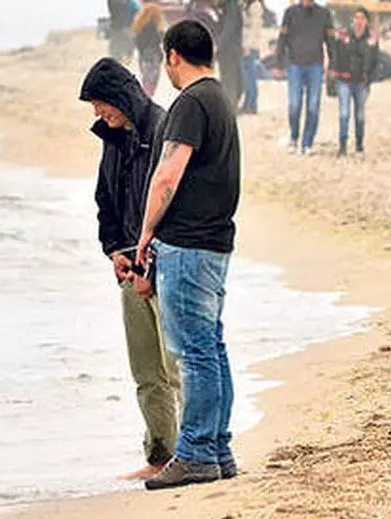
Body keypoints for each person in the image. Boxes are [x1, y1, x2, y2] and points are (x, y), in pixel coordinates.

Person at [134, 20, 241, 491]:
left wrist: (146, 232)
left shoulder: (191, 102)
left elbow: (167, 175)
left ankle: (196, 452)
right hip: (214, 241)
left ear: (173, 55)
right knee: (210, 348)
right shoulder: (220, 97)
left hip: (189, 243)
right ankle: (217, 448)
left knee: (194, 353)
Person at [79, 58, 182, 481]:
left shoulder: (161, 129)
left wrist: (147, 264)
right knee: (146, 371)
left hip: (163, 264)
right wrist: (112, 252)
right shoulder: (112, 138)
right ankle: (159, 455)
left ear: (120, 97)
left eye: (100, 103)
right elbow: (105, 200)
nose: (97, 112)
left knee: (175, 366)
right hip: (128, 267)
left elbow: (169, 202)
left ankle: (191, 454)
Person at [275, 0, 335, 155]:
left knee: (313, 107)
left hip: (316, 66)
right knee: (294, 105)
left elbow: (331, 42)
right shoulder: (290, 13)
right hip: (295, 65)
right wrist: (278, 63)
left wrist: (333, 65)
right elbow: (282, 39)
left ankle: (307, 142)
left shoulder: (324, 14)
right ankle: (294, 138)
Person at [329, 7, 379, 156]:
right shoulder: (343, 35)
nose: (359, 21)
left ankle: (359, 145)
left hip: (361, 81)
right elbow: (335, 54)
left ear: (367, 21)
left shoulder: (371, 39)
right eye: (356, 17)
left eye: (362, 18)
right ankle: (342, 145)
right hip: (344, 79)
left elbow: (375, 60)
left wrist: (370, 77)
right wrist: (333, 73)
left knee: (360, 115)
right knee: (344, 113)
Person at [132, 2, 166, 98]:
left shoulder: (139, 27)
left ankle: (146, 99)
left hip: (143, 56)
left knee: (146, 81)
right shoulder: (155, 28)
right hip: (153, 56)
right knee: (152, 82)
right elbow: (160, 40)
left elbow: (137, 43)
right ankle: (147, 100)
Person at [215, 0, 244, 110]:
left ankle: (230, 108)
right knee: (231, 81)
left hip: (229, 51)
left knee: (229, 81)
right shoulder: (228, 6)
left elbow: (228, 30)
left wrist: (219, 47)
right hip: (231, 50)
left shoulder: (231, 7)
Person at [240, 0, 268, 114]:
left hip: (250, 48)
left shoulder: (255, 5)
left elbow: (254, 28)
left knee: (250, 77)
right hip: (246, 46)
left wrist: (248, 46)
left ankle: (251, 105)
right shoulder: (246, 5)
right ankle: (248, 104)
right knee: (247, 77)